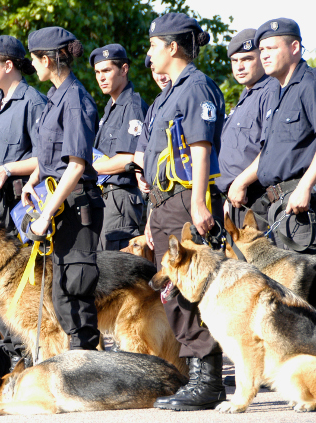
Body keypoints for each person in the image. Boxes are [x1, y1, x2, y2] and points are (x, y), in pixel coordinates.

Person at [142, 13, 227, 410]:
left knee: (189, 292)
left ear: (172, 46)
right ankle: (196, 376)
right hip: (164, 205)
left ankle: (208, 380)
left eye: (153, 45)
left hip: (183, 202)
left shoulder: (195, 87)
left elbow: (200, 147)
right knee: (172, 293)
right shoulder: (170, 93)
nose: (150, 53)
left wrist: (197, 201)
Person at [23, 26, 104, 351]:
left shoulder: (74, 100)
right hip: (61, 205)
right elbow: (51, 154)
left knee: (76, 289)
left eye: (35, 59)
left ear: (48, 59)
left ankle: (87, 369)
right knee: (62, 293)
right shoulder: (56, 97)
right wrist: (34, 178)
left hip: (76, 206)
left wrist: (45, 215)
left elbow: (76, 165)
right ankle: (80, 365)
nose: (33, 66)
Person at [0, 34, 47, 372]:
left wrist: (9, 169)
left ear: (8, 65)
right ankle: (14, 364)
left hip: (21, 216)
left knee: (19, 296)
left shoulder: (34, 102)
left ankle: (24, 367)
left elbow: (48, 159)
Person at [228, 18, 316, 252]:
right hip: (276, 205)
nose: (265, 55)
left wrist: (305, 187)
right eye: (262, 50)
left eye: (272, 48)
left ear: (294, 48)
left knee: (303, 284)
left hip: (299, 201)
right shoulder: (277, 91)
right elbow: (269, 153)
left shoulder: (309, 85)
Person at [217, 29, 277, 232]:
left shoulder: (270, 90)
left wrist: (240, 183)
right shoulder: (247, 95)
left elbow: (272, 149)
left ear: (262, 56)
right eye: (234, 61)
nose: (239, 67)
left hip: (258, 199)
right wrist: (229, 193)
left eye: (246, 59)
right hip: (238, 201)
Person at [89, 44, 147, 250]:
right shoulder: (111, 107)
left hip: (120, 197)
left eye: (106, 71)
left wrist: (85, 171)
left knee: (116, 270)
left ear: (124, 70)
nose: (101, 78)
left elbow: (129, 159)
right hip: (105, 197)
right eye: (97, 72)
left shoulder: (132, 105)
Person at [134, 55, 171, 196]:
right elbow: (140, 149)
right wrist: (139, 174)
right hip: (155, 193)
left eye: (164, 71)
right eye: (155, 71)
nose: (161, 77)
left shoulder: (187, 95)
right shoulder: (155, 106)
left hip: (177, 189)